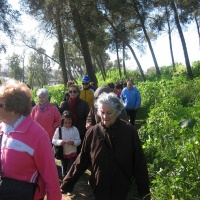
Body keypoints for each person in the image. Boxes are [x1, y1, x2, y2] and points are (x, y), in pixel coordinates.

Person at [60, 92, 150, 200]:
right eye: (102, 112)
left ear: (117, 112)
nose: (105, 116)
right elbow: (81, 160)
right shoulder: (92, 132)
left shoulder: (129, 131)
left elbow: (139, 163)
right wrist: (66, 183)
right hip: (99, 187)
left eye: (109, 113)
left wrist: (145, 192)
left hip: (121, 187)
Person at [0, 80, 61, 200]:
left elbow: (52, 178)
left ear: (13, 109)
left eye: (0, 105)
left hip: (29, 196)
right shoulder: (2, 128)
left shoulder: (38, 135)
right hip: (6, 194)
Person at [59, 84, 89, 154]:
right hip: (67, 133)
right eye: (70, 91)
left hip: (80, 131)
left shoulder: (84, 104)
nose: (72, 93)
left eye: (74, 91)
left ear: (78, 93)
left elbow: (88, 117)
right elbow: (60, 118)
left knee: (80, 152)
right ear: (68, 93)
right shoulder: (64, 105)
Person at [52, 110, 81, 179]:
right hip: (63, 153)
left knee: (69, 170)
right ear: (62, 121)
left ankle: (67, 181)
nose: (68, 125)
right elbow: (54, 140)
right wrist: (60, 142)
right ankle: (64, 181)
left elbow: (79, 141)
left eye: (69, 123)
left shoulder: (75, 129)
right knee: (63, 170)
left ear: (72, 122)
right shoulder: (59, 130)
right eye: (66, 123)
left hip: (72, 153)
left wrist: (73, 142)